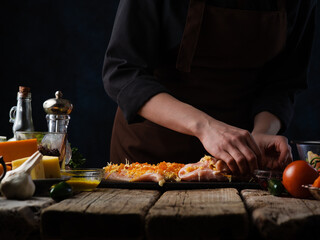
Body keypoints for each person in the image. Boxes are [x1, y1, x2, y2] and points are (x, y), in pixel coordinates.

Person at [102, 0, 316, 175]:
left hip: (236, 163)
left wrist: (259, 135)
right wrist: (206, 127)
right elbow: (122, 71)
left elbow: (283, 83)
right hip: (150, 154)